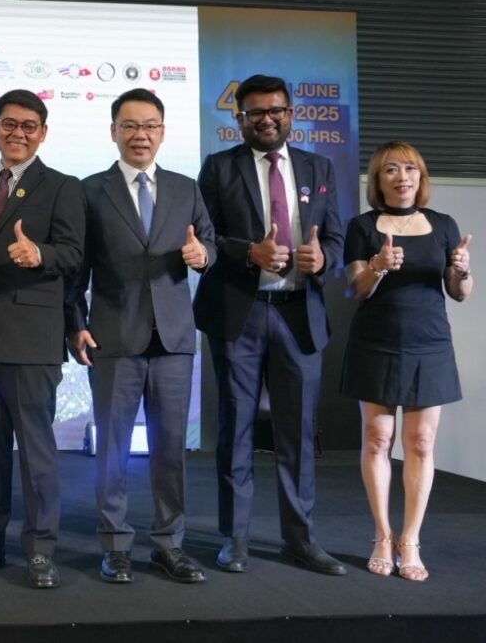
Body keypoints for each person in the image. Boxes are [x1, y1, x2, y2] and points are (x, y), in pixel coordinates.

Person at [193, 73, 346, 575]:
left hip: (299, 313)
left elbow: (337, 239)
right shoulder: (218, 168)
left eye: (275, 110)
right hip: (240, 312)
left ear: (290, 114)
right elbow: (206, 238)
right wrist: (248, 253)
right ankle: (234, 539)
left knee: (297, 435)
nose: (266, 120)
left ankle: (300, 539)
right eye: (255, 112)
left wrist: (324, 259)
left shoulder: (318, 167)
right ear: (239, 119)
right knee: (235, 429)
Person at [64, 89, 215, 585]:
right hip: (113, 337)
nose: (140, 135)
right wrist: (76, 323)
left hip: (173, 339)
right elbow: (75, 269)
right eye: (129, 125)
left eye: (149, 125)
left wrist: (202, 256)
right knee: (112, 449)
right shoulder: (90, 190)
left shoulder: (186, 188)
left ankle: (170, 544)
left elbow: (209, 242)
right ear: (113, 132)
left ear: (163, 132)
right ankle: (115, 545)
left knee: (170, 449)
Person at [0, 89, 84, 589]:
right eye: (9, 123)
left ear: (43, 133)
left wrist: (40, 254)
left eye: (29, 126)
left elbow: (75, 255)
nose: (18, 133)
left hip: (32, 339)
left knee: (36, 453)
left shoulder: (63, 187)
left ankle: (41, 549)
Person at [340, 141, 472, 582]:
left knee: (420, 443)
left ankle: (410, 540)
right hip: (376, 342)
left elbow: (459, 292)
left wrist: (462, 270)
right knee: (378, 439)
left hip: (429, 343)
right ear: (378, 180)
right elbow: (355, 288)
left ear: (421, 177)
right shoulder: (362, 226)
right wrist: (377, 265)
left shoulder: (443, 225)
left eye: (410, 169)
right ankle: (382, 535)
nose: (402, 177)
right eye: (391, 169)